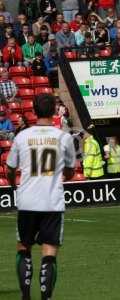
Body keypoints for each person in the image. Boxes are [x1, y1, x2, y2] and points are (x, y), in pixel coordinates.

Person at [6, 93, 75, 300]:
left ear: (33, 110)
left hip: (27, 201)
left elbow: (10, 168)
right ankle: (46, 298)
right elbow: (70, 171)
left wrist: (12, 184)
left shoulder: (22, 137)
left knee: (23, 248)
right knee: (49, 252)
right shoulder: (64, 137)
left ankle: (25, 296)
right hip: (52, 202)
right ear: (54, 110)